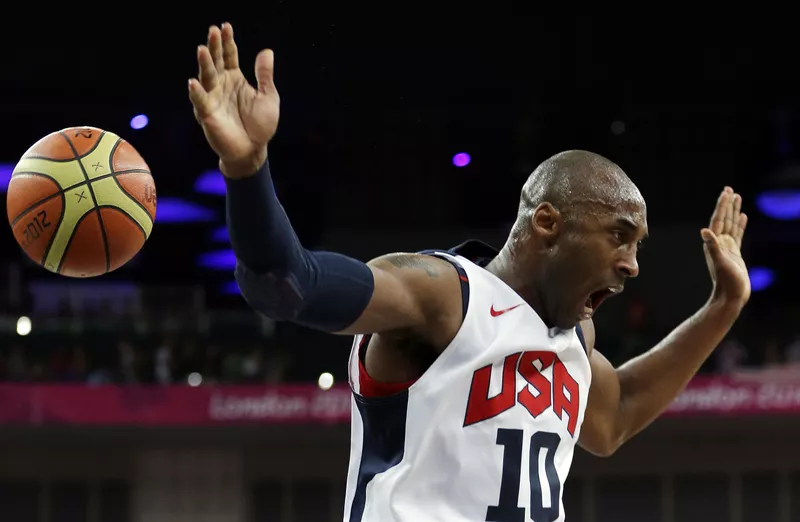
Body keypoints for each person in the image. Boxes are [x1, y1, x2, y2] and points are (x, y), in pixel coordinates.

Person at [188, 23, 751, 522]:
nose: (631, 264)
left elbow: (616, 419)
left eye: (638, 246)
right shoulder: (442, 295)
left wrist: (723, 304)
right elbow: (288, 285)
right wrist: (247, 168)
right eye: (619, 237)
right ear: (548, 223)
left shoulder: (576, 336)